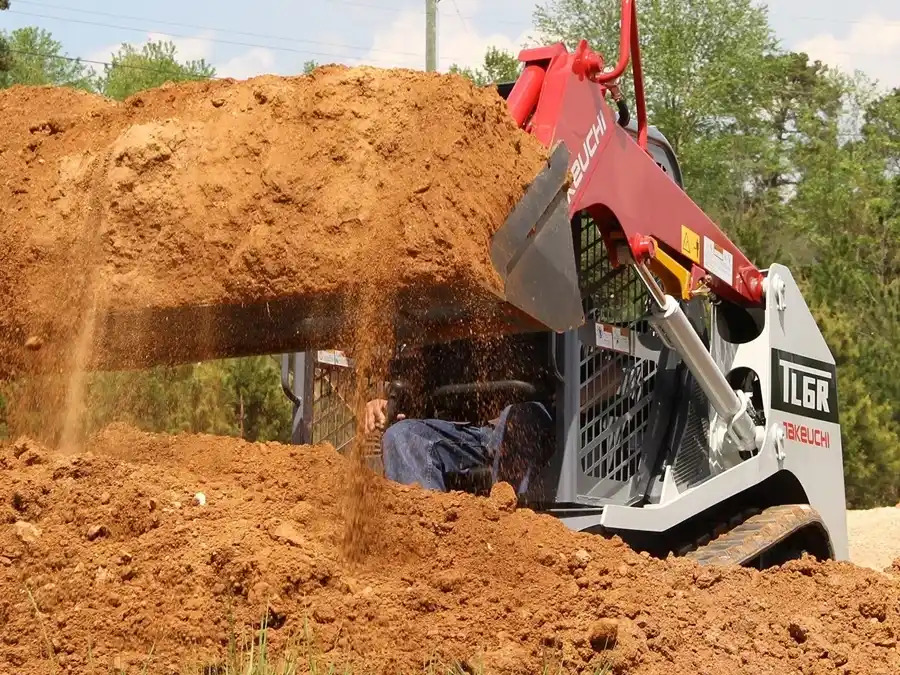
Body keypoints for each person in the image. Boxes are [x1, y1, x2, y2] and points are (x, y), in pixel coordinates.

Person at [364, 349, 626, 495]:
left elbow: (614, 373)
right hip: (462, 434)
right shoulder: (445, 323)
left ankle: (507, 523)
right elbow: (409, 385)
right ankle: (426, 534)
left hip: (537, 426)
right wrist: (381, 402)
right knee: (400, 435)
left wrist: (573, 398)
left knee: (517, 417)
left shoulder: (555, 300)